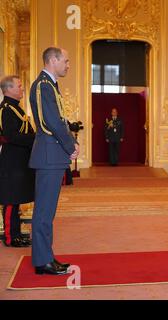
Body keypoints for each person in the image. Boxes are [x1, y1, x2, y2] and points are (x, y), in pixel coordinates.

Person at [29, 47, 79, 275]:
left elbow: (59, 120)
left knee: (48, 212)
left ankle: (46, 257)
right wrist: (71, 145)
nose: (68, 65)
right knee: (43, 212)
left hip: (53, 154)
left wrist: (69, 143)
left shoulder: (50, 86)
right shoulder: (43, 86)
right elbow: (51, 123)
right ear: (53, 60)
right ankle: (42, 261)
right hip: (49, 154)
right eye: (66, 61)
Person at [0, 75, 35, 247]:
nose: (22, 88)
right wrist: (34, 139)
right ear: (9, 89)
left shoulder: (16, 108)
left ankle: (17, 233)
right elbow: (10, 136)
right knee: (10, 199)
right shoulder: (6, 109)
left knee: (17, 198)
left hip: (20, 160)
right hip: (11, 161)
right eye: (19, 86)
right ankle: (9, 237)